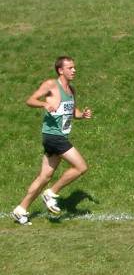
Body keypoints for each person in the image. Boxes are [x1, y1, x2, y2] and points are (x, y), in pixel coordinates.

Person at [11, 56, 92, 225]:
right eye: (70, 68)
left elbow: (72, 112)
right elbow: (30, 100)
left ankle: (21, 209)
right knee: (81, 167)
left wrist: (82, 115)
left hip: (59, 136)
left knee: (45, 176)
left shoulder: (71, 90)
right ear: (60, 70)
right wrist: (44, 105)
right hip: (53, 136)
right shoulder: (51, 85)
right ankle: (51, 193)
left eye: (74, 67)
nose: (74, 70)